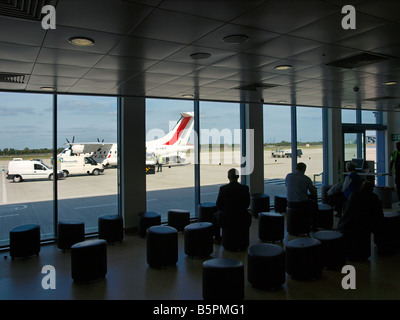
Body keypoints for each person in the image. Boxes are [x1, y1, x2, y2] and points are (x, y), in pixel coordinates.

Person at [214, 168, 251, 242]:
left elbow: (219, 204)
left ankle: (217, 238)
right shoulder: (245, 188)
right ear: (238, 177)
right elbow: (247, 204)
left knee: (215, 216)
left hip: (227, 218)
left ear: (228, 177)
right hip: (242, 216)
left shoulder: (223, 189)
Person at [285, 162, 319, 231]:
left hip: (290, 202)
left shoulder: (288, 176)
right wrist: (315, 189)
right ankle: (314, 227)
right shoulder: (306, 179)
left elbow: (287, 186)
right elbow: (313, 193)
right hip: (301, 203)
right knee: (315, 205)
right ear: (304, 169)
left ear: (296, 168)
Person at [389, 141, 400, 208]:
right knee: (398, 187)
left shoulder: (394, 153)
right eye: (396, 146)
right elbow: (391, 162)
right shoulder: (394, 153)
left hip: (398, 173)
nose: (397, 147)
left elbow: (391, 163)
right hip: (398, 173)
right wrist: (390, 170)